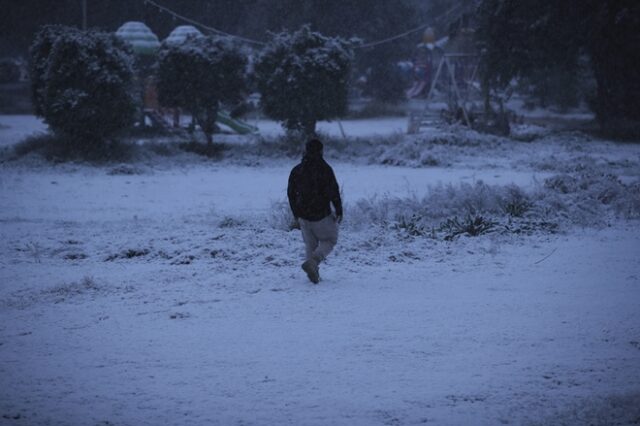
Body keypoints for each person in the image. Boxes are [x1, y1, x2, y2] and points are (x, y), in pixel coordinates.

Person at [287, 139, 343, 284]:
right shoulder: (325, 169)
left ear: (305, 151)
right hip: (321, 214)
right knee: (330, 240)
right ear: (321, 151)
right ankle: (314, 263)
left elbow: (291, 193)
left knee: (310, 245)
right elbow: (334, 191)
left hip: (304, 216)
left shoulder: (297, 170)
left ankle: (313, 272)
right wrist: (338, 209)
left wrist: (296, 214)